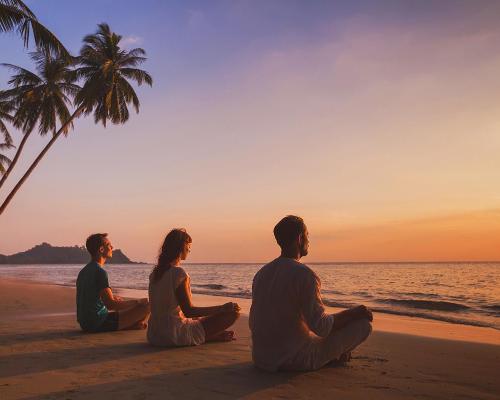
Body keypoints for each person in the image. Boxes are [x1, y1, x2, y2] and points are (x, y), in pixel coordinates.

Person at [249, 215, 373, 372]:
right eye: (308, 236)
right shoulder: (305, 275)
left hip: (261, 358)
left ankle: (336, 354)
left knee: (309, 330)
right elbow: (321, 327)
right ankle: (333, 356)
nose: (309, 241)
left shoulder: (262, 273)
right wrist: (355, 312)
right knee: (363, 326)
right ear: (300, 238)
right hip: (293, 360)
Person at [147, 229, 240, 347]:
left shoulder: (155, 273)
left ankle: (210, 336)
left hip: (154, 335)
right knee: (233, 313)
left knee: (198, 320)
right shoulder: (178, 273)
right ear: (181, 247)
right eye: (188, 246)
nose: (189, 249)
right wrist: (222, 308)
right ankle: (209, 336)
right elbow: (189, 311)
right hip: (173, 335)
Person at [76, 233, 150, 333]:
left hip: (85, 323)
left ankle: (130, 325)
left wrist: (113, 298)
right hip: (98, 322)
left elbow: (90, 297)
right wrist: (137, 302)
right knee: (147, 306)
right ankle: (129, 325)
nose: (112, 247)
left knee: (119, 301)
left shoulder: (84, 271)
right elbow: (110, 305)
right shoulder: (100, 272)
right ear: (101, 249)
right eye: (109, 245)